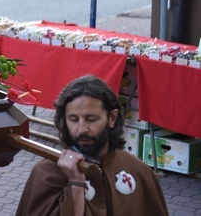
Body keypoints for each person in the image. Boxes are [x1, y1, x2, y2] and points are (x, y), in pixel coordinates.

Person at [16, 75, 169, 216]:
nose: (82, 129)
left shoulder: (138, 171)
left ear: (112, 118)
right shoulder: (47, 174)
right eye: (74, 119)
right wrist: (75, 184)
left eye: (91, 119)